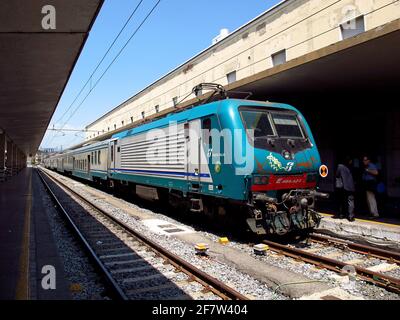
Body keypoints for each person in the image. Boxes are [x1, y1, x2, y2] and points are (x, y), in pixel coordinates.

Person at [335, 157, 355, 222]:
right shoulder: (351, 167)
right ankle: (351, 217)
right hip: (350, 186)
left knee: (341, 201)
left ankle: (341, 215)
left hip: (342, 186)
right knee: (350, 201)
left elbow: (337, 175)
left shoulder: (340, 166)